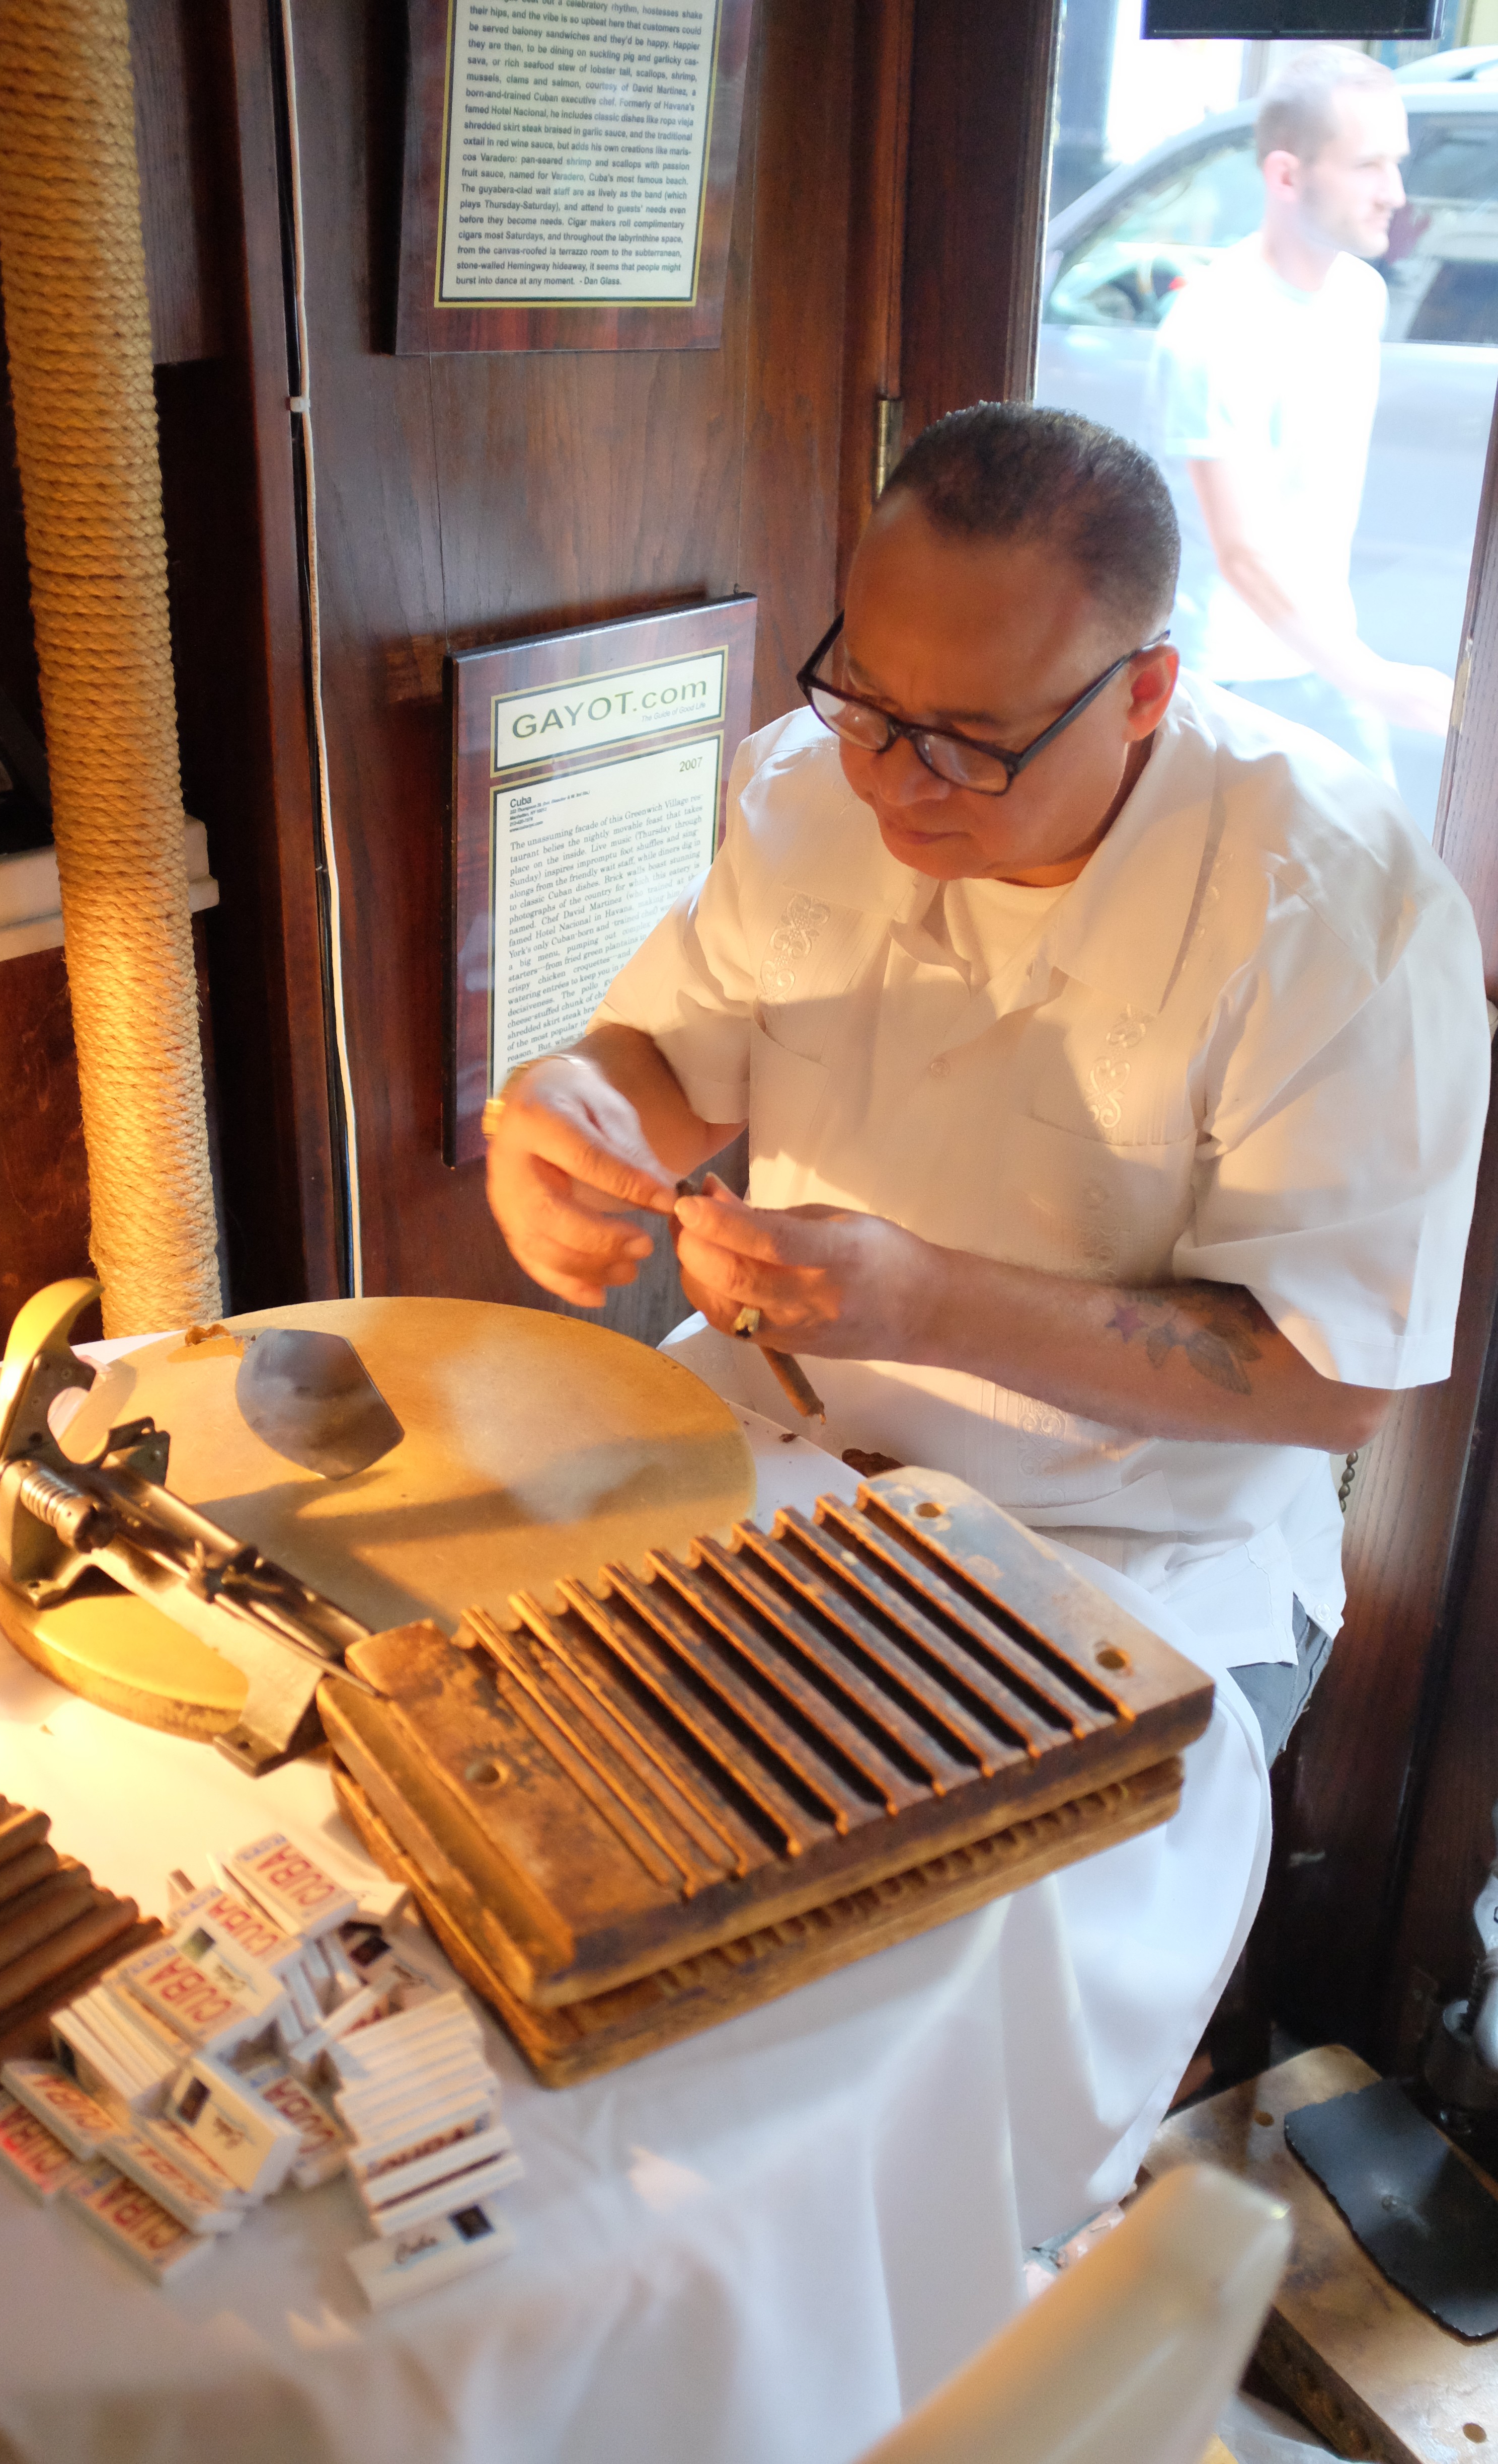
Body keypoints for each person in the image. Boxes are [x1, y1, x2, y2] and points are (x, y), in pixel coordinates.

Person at [480, 402, 1487, 2202]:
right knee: (514, 1782)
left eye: (970, 742)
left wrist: (923, 1298)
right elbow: (673, 1065)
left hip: (1131, 1544)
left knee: (899, 2019)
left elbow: (1330, 1382)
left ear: (1145, 690)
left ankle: (964, 2276)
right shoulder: (812, 785)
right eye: (866, 701)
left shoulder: (1333, 908)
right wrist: (569, 1108)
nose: (895, 783)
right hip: (780, 1437)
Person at [1148, 47, 1452, 787]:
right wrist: (1376, 682)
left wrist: (1352, 670)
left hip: (1323, 655)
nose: (1395, 193)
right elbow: (1242, 556)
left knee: (1384, 851)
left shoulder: (1360, 295)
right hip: (1229, 681)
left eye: (1396, 163)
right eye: (1369, 166)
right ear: (1286, 176)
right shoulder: (1212, 328)